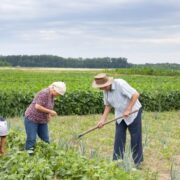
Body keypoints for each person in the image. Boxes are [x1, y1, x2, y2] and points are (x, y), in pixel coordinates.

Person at [92, 73, 143, 166]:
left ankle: (137, 162)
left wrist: (128, 109)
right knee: (119, 138)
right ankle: (117, 162)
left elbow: (135, 95)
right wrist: (102, 120)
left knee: (135, 138)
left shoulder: (120, 84)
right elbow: (108, 105)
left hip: (133, 112)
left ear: (107, 83)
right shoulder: (105, 90)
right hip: (120, 114)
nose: (101, 89)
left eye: (102, 87)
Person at [24, 81, 66, 155]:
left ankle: (47, 155)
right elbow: (37, 106)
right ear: (54, 89)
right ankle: (29, 156)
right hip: (32, 119)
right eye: (58, 93)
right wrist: (50, 111)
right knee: (31, 139)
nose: (58, 95)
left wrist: (48, 115)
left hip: (42, 120)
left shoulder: (52, 95)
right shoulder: (44, 93)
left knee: (45, 140)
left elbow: (47, 106)